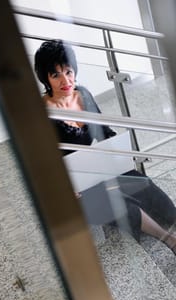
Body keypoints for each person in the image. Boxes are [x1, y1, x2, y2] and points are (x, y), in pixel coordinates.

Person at [34, 39, 176, 254]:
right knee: (121, 206)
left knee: (145, 184)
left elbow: (105, 132)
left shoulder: (84, 94)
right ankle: (169, 240)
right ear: (46, 78)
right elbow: (44, 165)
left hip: (101, 167)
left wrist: (117, 152)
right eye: (56, 75)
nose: (66, 80)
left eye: (68, 71)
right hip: (79, 187)